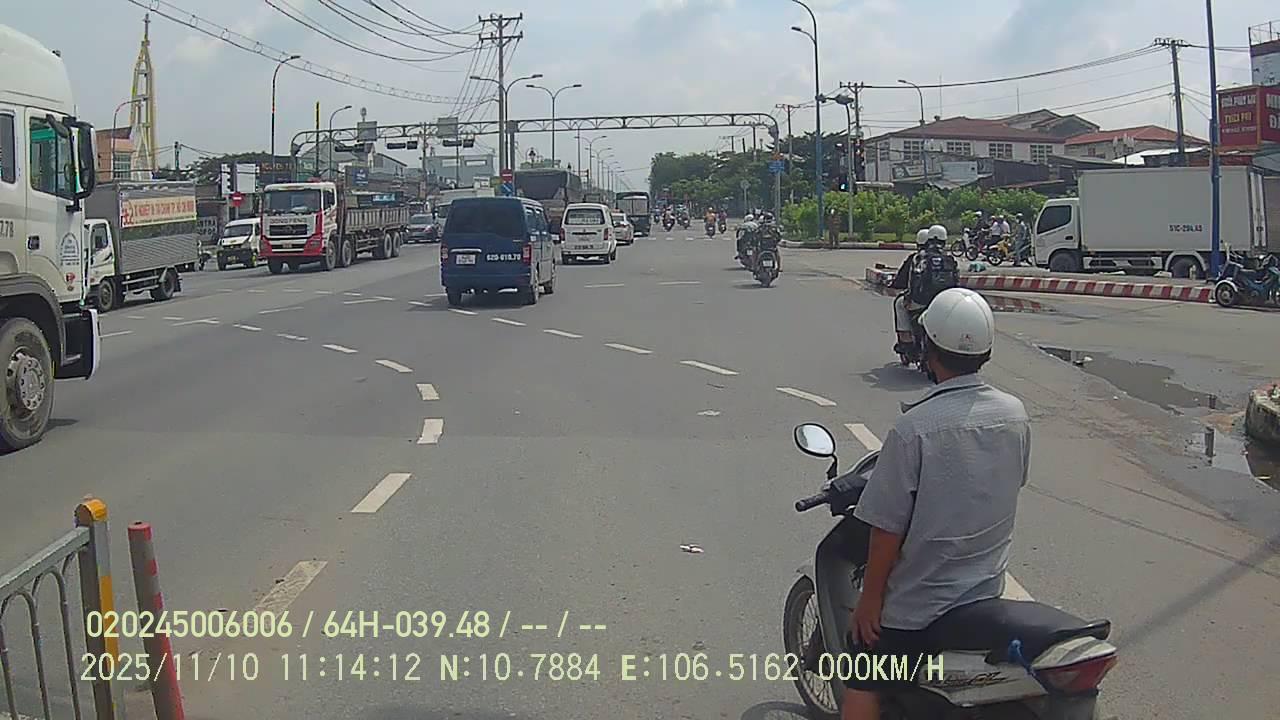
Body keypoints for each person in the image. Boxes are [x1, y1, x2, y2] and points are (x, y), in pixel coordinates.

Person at [843, 287, 1029, 720]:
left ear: (927, 347)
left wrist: (870, 601)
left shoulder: (915, 428)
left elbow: (886, 529)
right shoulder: (1015, 414)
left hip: (919, 609)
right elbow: (1011, 484)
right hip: (986, 594)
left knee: (861, 676)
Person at [890, 225, 955, 355]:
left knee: (899, 304)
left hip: (920, 301)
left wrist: (896, 287)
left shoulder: (918, 258)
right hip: (944, 301)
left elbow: (909, 280)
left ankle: (906, 342)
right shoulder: (949, 258)